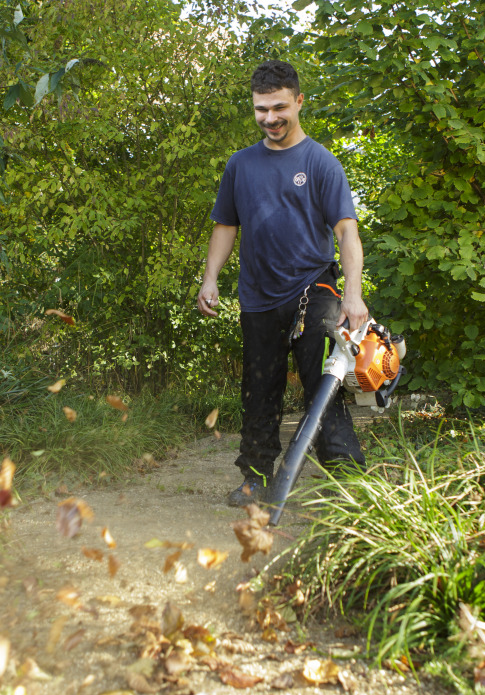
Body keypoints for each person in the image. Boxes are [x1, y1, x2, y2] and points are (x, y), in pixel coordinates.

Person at [197, 60, 370, 507]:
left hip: (315, 287)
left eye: (278, 107)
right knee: (259, 389)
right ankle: (255, 479)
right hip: (257, 296)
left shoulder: (320, 162)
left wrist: (354, 293)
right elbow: (225, 226)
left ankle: (347, 483)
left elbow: (347, 231)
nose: (270, 118)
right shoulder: (240, 166)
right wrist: (210, 278)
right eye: (260, 109)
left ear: (298, 101)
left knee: (322, 382)